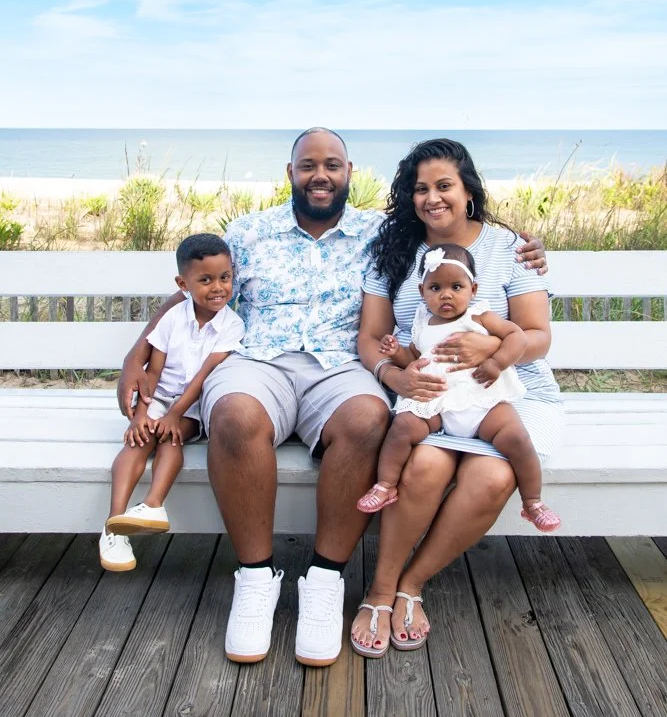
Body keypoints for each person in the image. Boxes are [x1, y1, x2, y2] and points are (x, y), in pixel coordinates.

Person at [117, 129, 547, 668]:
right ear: (290, 172)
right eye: (308, 165)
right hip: (258, 359)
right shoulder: (249, 232)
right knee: (233, 412)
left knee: (369, 418)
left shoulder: (382, 234)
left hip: (340, 367)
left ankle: (324, 581)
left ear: (350, 172)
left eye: (333, 165)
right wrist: (139, 351)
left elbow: (460, 235)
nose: (320, 175)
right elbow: (195, 287)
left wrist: (527, 244)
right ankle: (254, 579)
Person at [351, 138, 563, 658]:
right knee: (423, 468)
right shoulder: (394, 251)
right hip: (428, 392)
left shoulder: (510, 248)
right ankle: (378, 592)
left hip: (503, 391)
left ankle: (412, 584)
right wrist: (393, 376)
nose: (432, 198)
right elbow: (371, 335)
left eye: (444, 185)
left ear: (468, 191)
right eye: (420, 189)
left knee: (492, 475)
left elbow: (536, 336)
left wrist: (494, 346)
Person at [356, 242, 561, 534]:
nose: (446, 295)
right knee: (402, 427)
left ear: (473, 290)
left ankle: (533, 502)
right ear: (422, 292)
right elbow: (416, 356)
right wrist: (396, 353)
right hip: (437, 403)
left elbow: (517, 337)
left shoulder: (478, 315)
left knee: (516, 437)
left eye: (456, 286)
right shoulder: (422, 320)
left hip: (481, 400)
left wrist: (497, 361)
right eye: (435, 288)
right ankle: (386, 485)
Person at [100, 233, 243, 572]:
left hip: (192, 406)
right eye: (205, 280)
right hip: (160, 396)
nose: (218, 288)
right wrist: (142, 413)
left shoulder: (231, 325)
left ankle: (152, 504)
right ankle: (113, 526)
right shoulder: (173, 317)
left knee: (169, 436)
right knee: (139, 440)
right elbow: (154, 369)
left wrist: (173, 415)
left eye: (225, 278)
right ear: (184, 283)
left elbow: (203, 378)